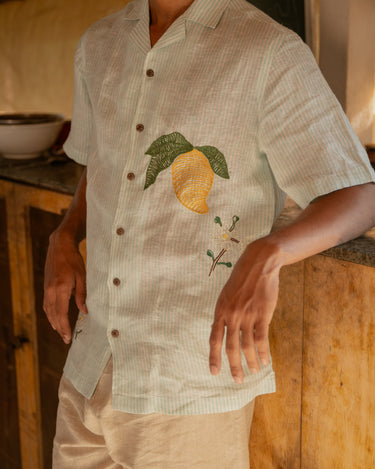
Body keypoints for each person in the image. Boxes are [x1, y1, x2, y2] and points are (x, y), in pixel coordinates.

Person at [43, 0, 375, 467]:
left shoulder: (268, 51)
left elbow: (360, 196)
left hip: (186, 385)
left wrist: (269, 252)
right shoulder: (99, 43)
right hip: (89, 365)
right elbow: (104, 163)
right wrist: (66, 231)